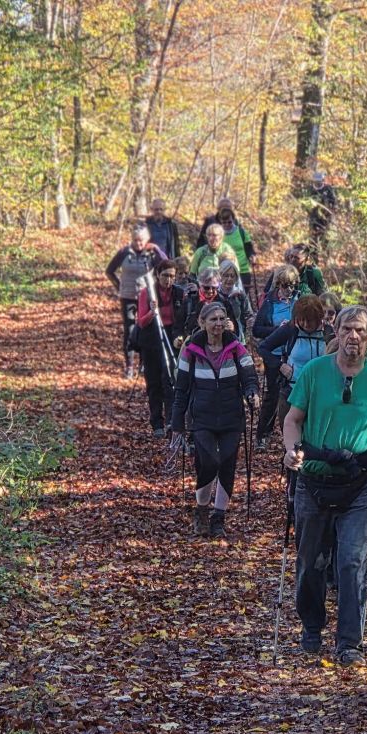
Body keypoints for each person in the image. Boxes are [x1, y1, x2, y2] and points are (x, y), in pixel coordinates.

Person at [283, 305, 367, 667]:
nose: (353, 336)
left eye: (360, 330)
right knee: (310, 562)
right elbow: (293, 419)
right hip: (314, 479)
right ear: (336, 331)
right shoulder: (314, 372)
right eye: (347, 328)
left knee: (351, 561)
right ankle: (312, 627)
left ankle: (350, 642)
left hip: (360, 482)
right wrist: (291, 451)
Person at [170, 302, 260, 539]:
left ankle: (218, 517)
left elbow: (249, 377)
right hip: (202, 417)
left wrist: (252, 394)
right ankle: (201, 510)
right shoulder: (191, 349)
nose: (218, 324)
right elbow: (181, 389)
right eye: (213, 319)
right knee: (209, 462)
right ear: (202, 323)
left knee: (227, 465)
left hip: (232, 417)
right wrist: (177, 423)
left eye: (222, 319)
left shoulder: (236, 348)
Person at [258, 295, 333, 431]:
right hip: (292, 392)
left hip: (320, 393)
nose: (305, 324)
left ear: (318, 318)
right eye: (301, 319)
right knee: (291, 435)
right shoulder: (290, 329)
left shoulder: (328, 333)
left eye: (309, 320)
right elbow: (263, 348)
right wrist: (280, 366)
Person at [105, 226, 166, 378]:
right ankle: (129, 366)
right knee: (130, 330)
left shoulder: (152, 253)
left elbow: (167, 265)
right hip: (128, 297)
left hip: (147, 297)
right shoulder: (124, 252)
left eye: (141, 240)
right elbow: (109, 271)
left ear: (147, 240)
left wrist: (157, 249)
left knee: (146, 329)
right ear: (131, 239)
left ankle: (144, 364)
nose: (138, 243)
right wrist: (119, 286)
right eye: (135, 240)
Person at [252, 264, 302, 451]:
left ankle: (293, 434)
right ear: (278, 284)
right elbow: (257, 330)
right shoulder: (269, 303)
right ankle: (262, 435)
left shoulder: (299, 300)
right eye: (285, 285)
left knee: (294, 393)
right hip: (273, 354)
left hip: (294, 354)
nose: (288, 289)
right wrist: (277, 330)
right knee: (272, 395)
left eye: (292, 285)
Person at [137, 260, 186, 438]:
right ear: (157, 275)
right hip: (151, 339)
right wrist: (152, 312)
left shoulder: (179, 293)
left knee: (170, 379)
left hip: (172, 338)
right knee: (154, 382)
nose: (168, 280)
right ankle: (156, 421)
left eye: (172, 276)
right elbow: (141, 322)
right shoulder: (147, 293)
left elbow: (183, 318)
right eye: (165, 275)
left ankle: (171, 420)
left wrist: (181, 337)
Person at [183, 268, 237, 339]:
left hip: (218, 342)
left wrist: (232, 328)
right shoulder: (190, 301)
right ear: (200, 285)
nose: (210, 291)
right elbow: (178, 326)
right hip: (194, 341)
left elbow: (235, 328)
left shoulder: (224, 302)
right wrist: (178, 338)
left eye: (214, 288)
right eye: (206, 288)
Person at [216, 207, 257, 290]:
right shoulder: (217, 235)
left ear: (233, 220)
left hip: (243, 270)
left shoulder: (241, 232)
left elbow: (249, 248)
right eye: (224, 222)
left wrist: (252, 256)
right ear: (220, 222)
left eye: (229, 222)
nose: (227, 225)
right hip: (224, 271)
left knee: (242, 295)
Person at [218, 260, 253, 343]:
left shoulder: (240, 295)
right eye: (226, 275)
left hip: (238, 338)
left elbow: (249, 315)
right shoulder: (215, 294)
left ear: (236, 278)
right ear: (220, 277)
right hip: (218, 339)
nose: (229, 279)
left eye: (232, 276)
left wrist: (247, 329)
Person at [307, 171, 337, 255]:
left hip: (326, 218)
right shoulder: (310, 190)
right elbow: (306, 203)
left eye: (319, 181)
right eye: (316, 182)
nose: (317, 183)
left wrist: (330, 210)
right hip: (314, 218)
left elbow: (334, 202)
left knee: (325, 237)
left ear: (323, 180)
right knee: (313, 238)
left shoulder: (328, 189)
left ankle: (326, 255)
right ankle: (313, 257)